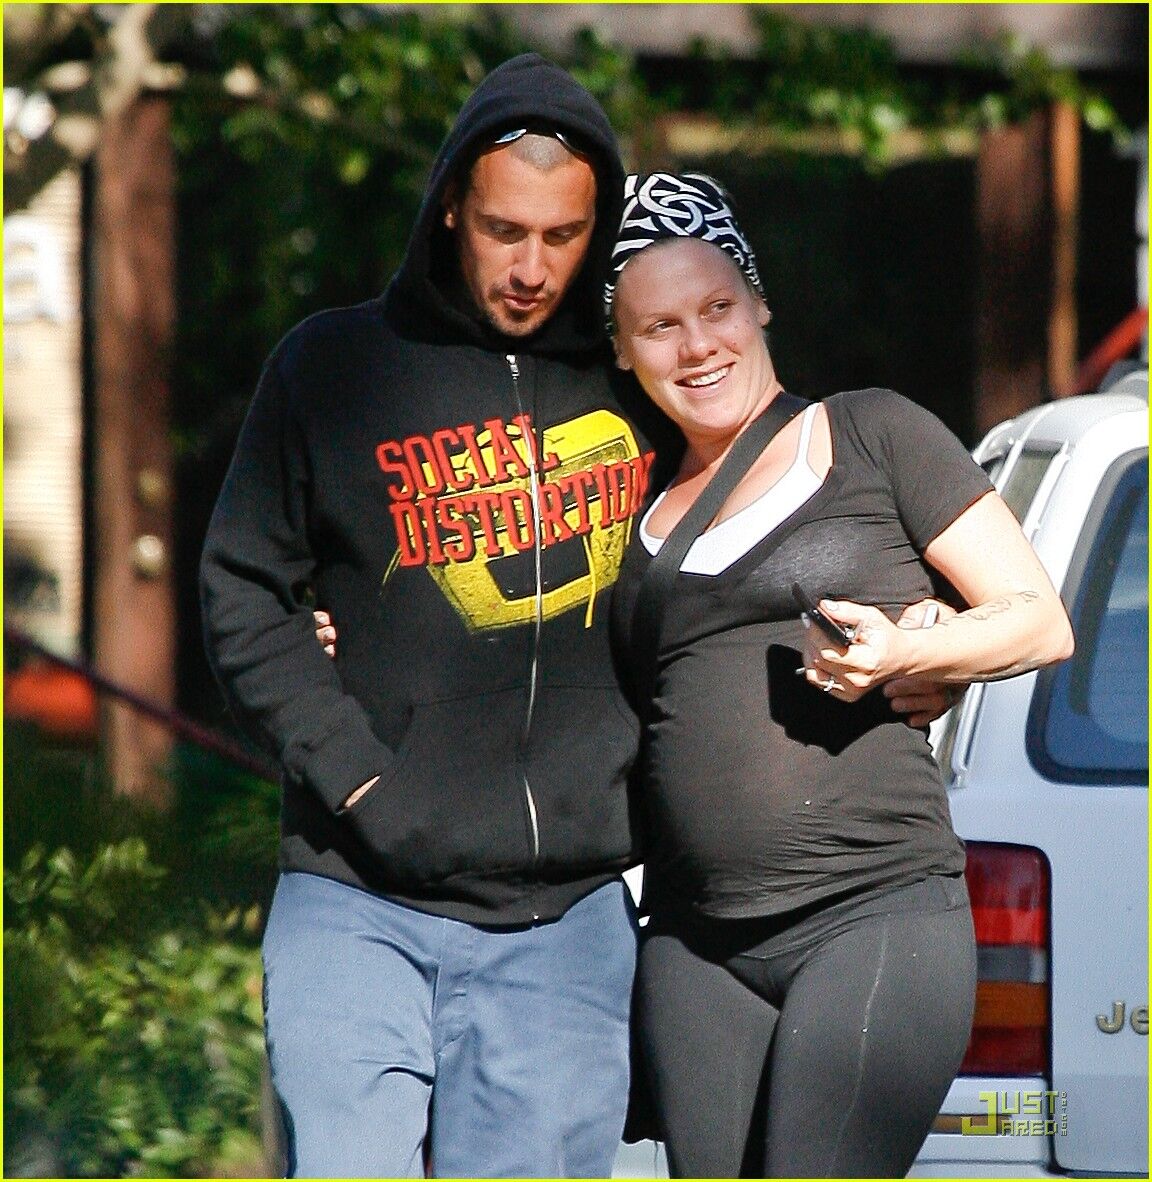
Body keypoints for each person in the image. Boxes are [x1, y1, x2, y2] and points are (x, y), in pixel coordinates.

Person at [199, 54, 675, 1178]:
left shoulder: (641, 380)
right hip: (355, 894)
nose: (531, 268)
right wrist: (358, 776)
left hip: (565, 920)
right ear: (452, 204)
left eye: (562, 236)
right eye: (506, 230)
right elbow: (243, 589)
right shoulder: (331, 366)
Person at [602, 172, 1074, 1178]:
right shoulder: (622, 504)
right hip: (692, 947)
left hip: (872, 914)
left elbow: (1039, 619)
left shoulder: (870, 433)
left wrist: (913, 653)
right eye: (660, 326)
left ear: (760, 304)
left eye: (717, 308)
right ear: (621, 349)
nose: (698, 345)